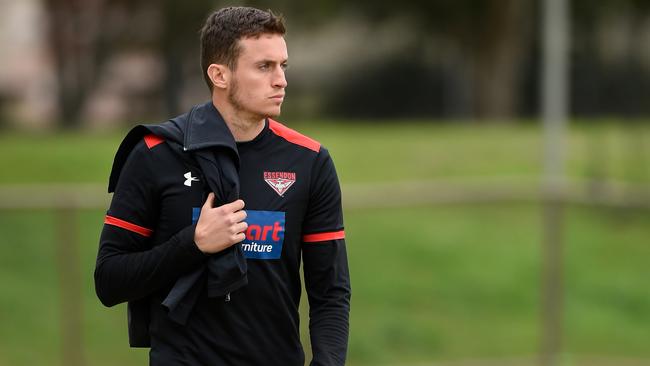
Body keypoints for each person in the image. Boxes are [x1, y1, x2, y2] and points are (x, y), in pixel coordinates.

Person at [94, 6, 351, 366]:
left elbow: (331, 292)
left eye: (283, 66)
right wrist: (193, 244)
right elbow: (108, 280)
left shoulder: (309, 161)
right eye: (264, 67)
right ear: (220, 74)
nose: (281, 80)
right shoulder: (155, 153)